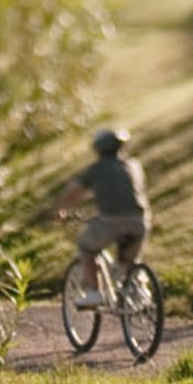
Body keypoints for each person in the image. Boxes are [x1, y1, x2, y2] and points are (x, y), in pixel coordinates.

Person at [55, 126, 151, 307]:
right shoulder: (133, 165)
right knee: (129, 262)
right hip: (139, 220)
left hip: (111, 221)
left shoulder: (96, 169)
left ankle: (94, 293)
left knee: (87, 248)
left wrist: (60, 210)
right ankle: (139, 291)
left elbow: (73, 192)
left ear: (98, 148)